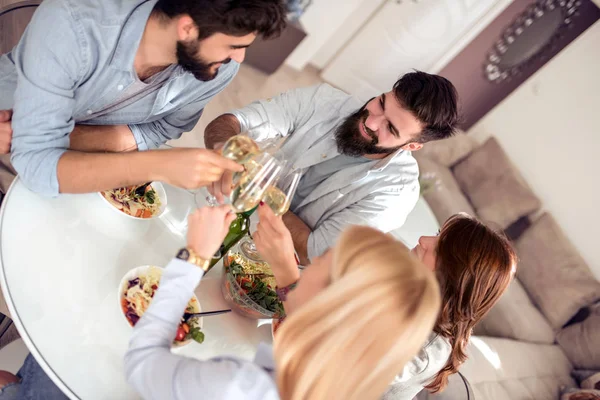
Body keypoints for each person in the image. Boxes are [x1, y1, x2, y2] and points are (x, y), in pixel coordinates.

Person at [122, 206, 440, 400]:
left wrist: (193, 256)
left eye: (325, 261)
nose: (304, 266)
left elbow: (141, 364)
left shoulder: (238, 388)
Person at [0, 0, 287, 196]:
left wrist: (45, 135)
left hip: (62, 162)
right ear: (187, 29)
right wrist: (158, 164)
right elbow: (38, 167)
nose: (238, 58)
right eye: (234, 45)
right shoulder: (74, 22)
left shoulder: (219, 69)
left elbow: (161, 129)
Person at [253, 210, 517, 399]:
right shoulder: (409, 283)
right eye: (437, 234)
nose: (424, 241)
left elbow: (326, 359)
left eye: (439, 249)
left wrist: (286, 272)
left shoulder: (424, 349)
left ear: (456, 279)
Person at [203, 71, 459, 264]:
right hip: (228, 210)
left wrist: (258, 189)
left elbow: (313, 253)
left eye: (390, 128)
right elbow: (234, 123)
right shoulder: (325, 101)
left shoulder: (397, 194)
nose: (371, 122)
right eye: (381, 103)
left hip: (272, 267)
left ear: (411, 146)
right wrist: (222, 151)